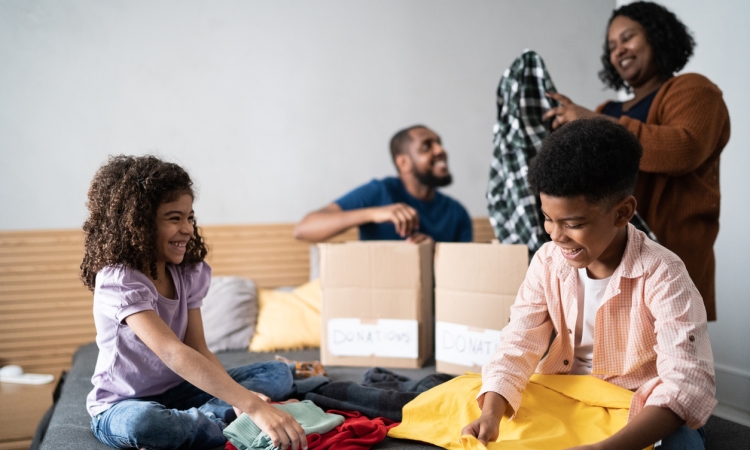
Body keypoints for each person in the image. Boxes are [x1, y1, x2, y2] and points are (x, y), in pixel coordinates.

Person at [462, 119, 715, 449]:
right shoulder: (547, 260)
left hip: (634, 405)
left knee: (682, 441)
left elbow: (686, 382)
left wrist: (604, 448)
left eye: (573, 223)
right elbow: (518, 342)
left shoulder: (664, 273)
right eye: (548, 219)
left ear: (622, 213)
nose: (556, 235)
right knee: (470, 399)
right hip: (568, 393)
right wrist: (492, 414)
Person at [80, 155, 307, 450]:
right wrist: (252, 405)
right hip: (124, 403)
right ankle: (227, 420)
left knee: (275, 374)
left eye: (189, 217)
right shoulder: (119, 280)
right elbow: (173, 352)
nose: (187, 228)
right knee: (145, 424)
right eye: (174, 218)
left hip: (181, 389)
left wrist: (240, 398)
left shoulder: (186, 271)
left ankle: (210, 419)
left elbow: (197, 348)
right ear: (139, 223)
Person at [541, 1, 730, 321]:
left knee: (666, 357)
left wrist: (596, 123)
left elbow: (683, 150)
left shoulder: (693, 89)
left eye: (628, 38)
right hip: (610, 256)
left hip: (670, 252)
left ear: (657, 37)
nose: (619, 50)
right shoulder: (609, 108)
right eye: (612, 46)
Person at [293, 125, 472, 244]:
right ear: (403, 163)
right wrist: (373, 213)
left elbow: (463, 276)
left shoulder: (457, 212)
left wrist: (434, 253)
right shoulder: (379, 192)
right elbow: (303, 230)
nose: (441, 150)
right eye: (427, 147)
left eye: (439, 144)